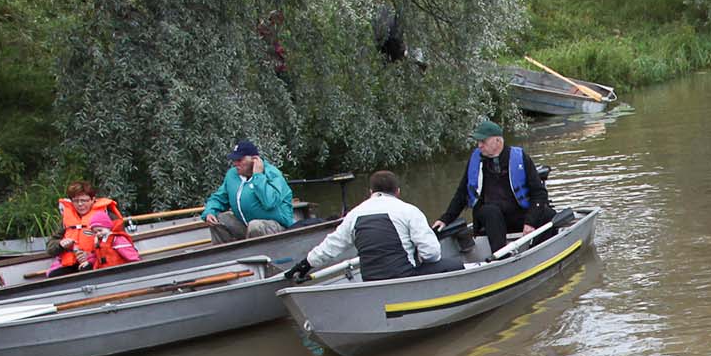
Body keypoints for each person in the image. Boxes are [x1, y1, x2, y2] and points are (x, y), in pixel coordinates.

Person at [302, 170, 459, 281]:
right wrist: (419, 257)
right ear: (398, 192)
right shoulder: (408, 211)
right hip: (404, 278)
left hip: (370, 279)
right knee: (455, 265)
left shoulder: (354, 214)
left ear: (371, 191)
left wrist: (305, 264)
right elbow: (431, 253)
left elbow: (331, 246)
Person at [431, 119, 555, 254]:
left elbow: (539, 193)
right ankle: (501, 256)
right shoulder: (476, 161)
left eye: (483, 141)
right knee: (491, 211)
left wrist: (530, 221)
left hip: (517, 213)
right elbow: (462, 193)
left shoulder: (520, 158)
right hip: (490, 218)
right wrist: (445, 219)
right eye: (478, 142)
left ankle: (535, 251)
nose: (479, 145)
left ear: (498, 141)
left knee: (549, 215)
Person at [204, 139, 295, 242]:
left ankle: (260, 255)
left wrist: (258, 176)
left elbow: (270, 202)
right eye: (234, 160)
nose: (235, 164)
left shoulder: (272, 174)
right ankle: (223, 255)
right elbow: (219, 198)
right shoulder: (232, 175)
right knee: (219, 219)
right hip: (246, 225)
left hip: (278, 227)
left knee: (255, 226)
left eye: (239, 160)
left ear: (254, 159)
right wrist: (209, 212)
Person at [49, 182, 138, 271]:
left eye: (84, 200)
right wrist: (60, 245)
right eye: (75, 201)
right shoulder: (66, 220)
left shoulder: (108, 216)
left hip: (98, 262)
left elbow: (120, 240)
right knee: (55, 275)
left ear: (92, 199)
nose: (80, 204)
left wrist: (89, 256)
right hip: (72, 263)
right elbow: (50, 248)